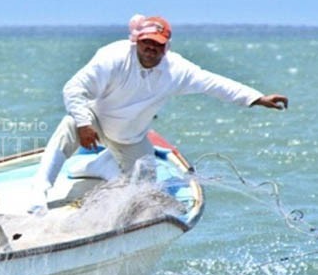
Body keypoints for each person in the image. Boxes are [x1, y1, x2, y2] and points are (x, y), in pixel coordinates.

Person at [29, 15, 289, 214]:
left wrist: (256, 98)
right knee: (69, 124)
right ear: (136, 41)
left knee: (144, 193)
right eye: (146, 43)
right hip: (95, 122)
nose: (151, 49)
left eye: (157, 44)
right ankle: (39, 193)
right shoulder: (113, 56)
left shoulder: (177, 70)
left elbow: (214, 83)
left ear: (166, 47)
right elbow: (74, 88)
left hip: (130, 137)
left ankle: (101, 165)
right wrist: (85, 124)